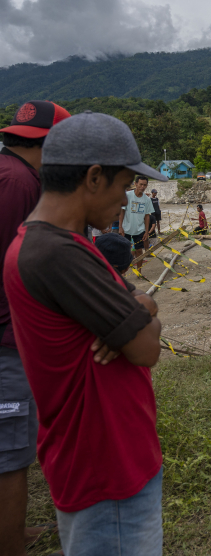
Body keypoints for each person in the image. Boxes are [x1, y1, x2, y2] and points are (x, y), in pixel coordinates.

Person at [3, 111, 165, 556]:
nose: (127, 197)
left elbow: (143, 304)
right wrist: (138, 316)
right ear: (95, 177)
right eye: (124, 183)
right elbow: (148, 347)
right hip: (106, 470)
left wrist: (140, 310)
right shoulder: (57, 255)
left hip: (114, 460)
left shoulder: (70, 244)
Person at [0, 100, 71, 556]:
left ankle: (15, 530)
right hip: (7, 335)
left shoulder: (9, 173)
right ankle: (11, 544)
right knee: (11, 455)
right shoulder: (19, 183)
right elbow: (20, 258)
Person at [119, 175, 153, 270]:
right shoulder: (127, 195)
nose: (142, 187)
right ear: (135, 184)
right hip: (126, 229)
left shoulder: (147, 200)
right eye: (141, 184)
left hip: (139, 229)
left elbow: (147, 216)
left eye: (145, 185)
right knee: (125, 251)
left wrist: (146, 232)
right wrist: (120, 227)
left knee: (139, 250)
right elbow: (122, 211)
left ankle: (139, 272)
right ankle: (123, 273)